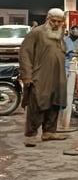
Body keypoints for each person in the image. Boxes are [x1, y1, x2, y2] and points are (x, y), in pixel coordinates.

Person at [19, 8, 68, 147]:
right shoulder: (36, 33)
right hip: (39, 75)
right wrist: (27, 76)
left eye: (59, 21)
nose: (56, 24)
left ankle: (49, 132)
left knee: (54, 103)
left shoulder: (60, 35)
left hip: (58, 76)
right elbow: (25, 54)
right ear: (48, 19)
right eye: (54, 21)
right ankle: (31, 135)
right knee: (37, 103)